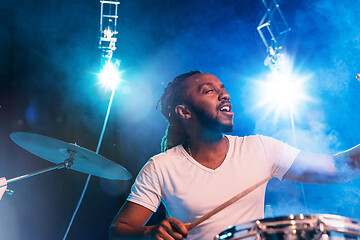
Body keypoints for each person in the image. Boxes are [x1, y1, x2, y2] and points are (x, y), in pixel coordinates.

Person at [109, 71, 360, 240]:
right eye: (209, 91)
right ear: (184, 111)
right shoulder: (161, 167)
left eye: (223, 89)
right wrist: (149, 233)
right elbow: (119, 230)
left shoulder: (261, 148)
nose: (225, 95)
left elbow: (342, 168)